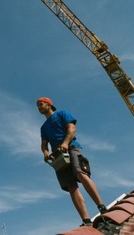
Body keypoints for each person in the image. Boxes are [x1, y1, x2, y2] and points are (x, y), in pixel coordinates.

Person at [37, 96, 107, 227]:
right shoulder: (43, 128)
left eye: (41, 104)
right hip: (58, 155)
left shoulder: (62, 113)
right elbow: (44, 143)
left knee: (80, 173)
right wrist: (45, 152)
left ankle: (101, 206)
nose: (39, 107)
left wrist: (65, 142)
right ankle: (86, 220)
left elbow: (71, 128)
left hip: (72, 147)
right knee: (71, 186)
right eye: (38, 106)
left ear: (49, 104)